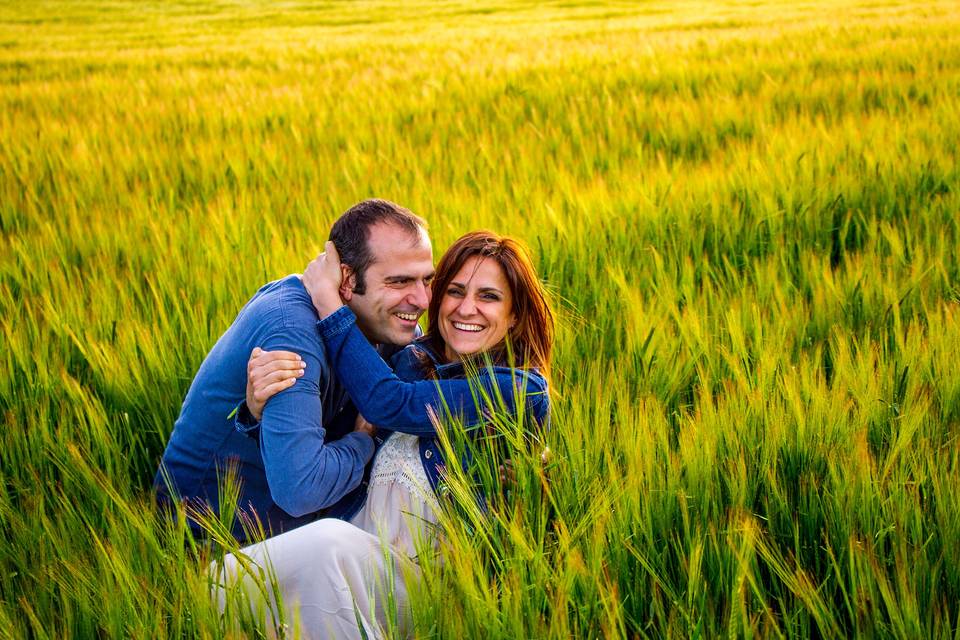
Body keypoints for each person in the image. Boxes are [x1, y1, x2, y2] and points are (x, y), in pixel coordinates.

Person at [213, 231, 554, 639]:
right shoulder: (405, 361)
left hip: (425, 584)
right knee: (224, 580)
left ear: (515, 314)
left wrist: (328, 303)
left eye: (489, 297)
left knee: (325, 547)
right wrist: (258, 409)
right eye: (456, 291)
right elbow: (315, 445)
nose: (467, 308)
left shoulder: (519, 391)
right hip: (353, 560)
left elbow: (390, 402)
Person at [153, 199, 435, 542]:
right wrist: (364, 441)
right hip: (210, 536)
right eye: (400, 282)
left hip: (300, 526)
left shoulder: (386, 326)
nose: (421, 300)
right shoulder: (291, 334)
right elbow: (302, 488)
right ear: (346, 279)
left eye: (427, 280)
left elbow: (419, 402)